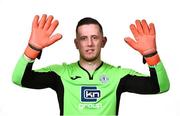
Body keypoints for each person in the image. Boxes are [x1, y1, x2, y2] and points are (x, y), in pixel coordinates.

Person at [12, 14, 170, 116]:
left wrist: (151, 55)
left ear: (103, 41)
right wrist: (32, 49)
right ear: (76, 43)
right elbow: (19, 79)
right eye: (83, 38)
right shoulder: (61, 74)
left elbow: (160, 86)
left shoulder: (117, 76)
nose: (89, 43)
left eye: (95, 37)